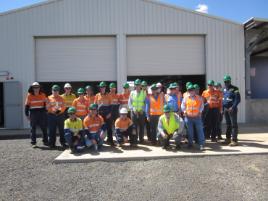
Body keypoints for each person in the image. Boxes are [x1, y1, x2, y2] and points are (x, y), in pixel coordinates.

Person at [181, 84, 205, 151]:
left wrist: (200, 112)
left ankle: (201, 144)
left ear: (194, 90)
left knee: (200, 131)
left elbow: (202, 106)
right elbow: (183, 106)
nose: (191, 91)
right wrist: (185, 112)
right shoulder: (185, 98)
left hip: (197, 117)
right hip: (188, 118)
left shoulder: (199, 98)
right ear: (188, 91)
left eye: (192, 90)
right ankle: (190, 144)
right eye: (189, 90)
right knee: (190, 132)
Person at [24, 82, 48, 147]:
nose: (36, 88)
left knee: (44, 128)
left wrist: (46, 111)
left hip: (42, 113)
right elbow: (27, 106)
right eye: (34, 87)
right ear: (32, 88)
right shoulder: (29, 95)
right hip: (33, 113)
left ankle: (45, 141)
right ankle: (33, 142)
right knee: (33, 128)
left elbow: (46, 104)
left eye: (37, 87)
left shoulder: (43, 94)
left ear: (39, 88)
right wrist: (27, 115)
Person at [222, 75, 241, 146]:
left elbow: (238, 99)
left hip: (232, 109)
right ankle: (228, 139)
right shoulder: (223, 89)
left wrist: (233, 107)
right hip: (225, 109)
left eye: (227, 81)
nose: (226, 83)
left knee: (234, 125)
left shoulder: (235, 88)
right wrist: (222, 109)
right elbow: (223, 99)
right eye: (225, 81)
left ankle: (234, 140)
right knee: (228, 125)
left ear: (230, 81)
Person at [94, 81, 114, 146]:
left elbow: (111, 105)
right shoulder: (97, 95)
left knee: (109, 127)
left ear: (105, 87)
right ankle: (99, 140)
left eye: (103, 87)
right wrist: (96, 114)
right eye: (101, 87)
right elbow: (95, 105)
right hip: (100, 114)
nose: (102, 88)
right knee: (99, 127)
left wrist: (110, 113)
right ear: (100, 88)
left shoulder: (108, 95)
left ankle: (110, 140)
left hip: (107, 114)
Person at [128, 79, 146, 144]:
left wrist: (142, 109)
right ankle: (135, 139)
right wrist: (133, 109)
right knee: (134, 127)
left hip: (141, 112)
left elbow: (145, 103)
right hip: (134, 112)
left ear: (140, 85)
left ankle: (141, 139)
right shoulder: (132, 93)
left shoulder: (144, 93)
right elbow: (129, 102)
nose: (137, 86)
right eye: (136, 84)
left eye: (139, 84)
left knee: (141, 126)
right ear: (135, 85)